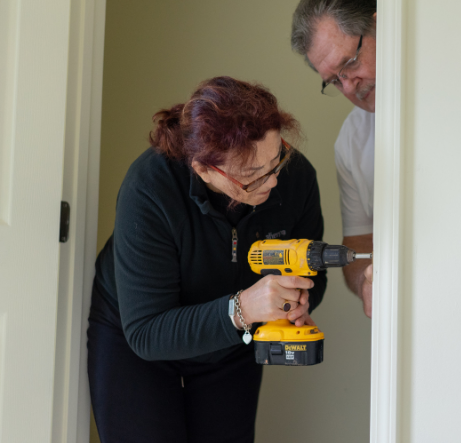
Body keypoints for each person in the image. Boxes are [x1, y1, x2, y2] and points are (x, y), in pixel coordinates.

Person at [87, 76, 327, 443]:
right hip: (139, 335)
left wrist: (298, 298)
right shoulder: (150, 188)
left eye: (276, 159)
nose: (272, 181)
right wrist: (244, 307)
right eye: (251, 175)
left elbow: (313, 269)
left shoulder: (296, 179)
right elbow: (147, 332)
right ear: (202, 169)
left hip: (231, 338)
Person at [290, 0, 376, 318]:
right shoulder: (351, 141)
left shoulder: (456, 93)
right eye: (335, 80)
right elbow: (358, 246)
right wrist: (365, 283)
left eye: (350, 62)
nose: (350, 86)